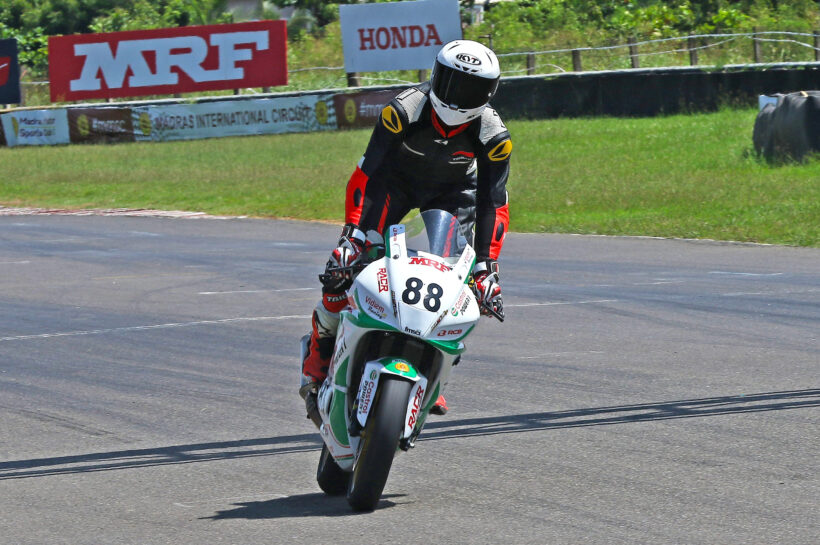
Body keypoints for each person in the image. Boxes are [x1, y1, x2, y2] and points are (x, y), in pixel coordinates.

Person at [300, 39, 511, 422]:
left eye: (470, 89)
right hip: (393, 186)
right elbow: (367, 173)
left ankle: (433, 372)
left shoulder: (494, 137)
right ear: (435, 75)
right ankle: (316, 368)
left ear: (489, 93)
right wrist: (352, 236)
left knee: (462, 289)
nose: (457, 96)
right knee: (341, 273)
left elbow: (493, 203)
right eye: (451, 82)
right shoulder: (403, 110)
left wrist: (486, 266)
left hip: (452, 194)